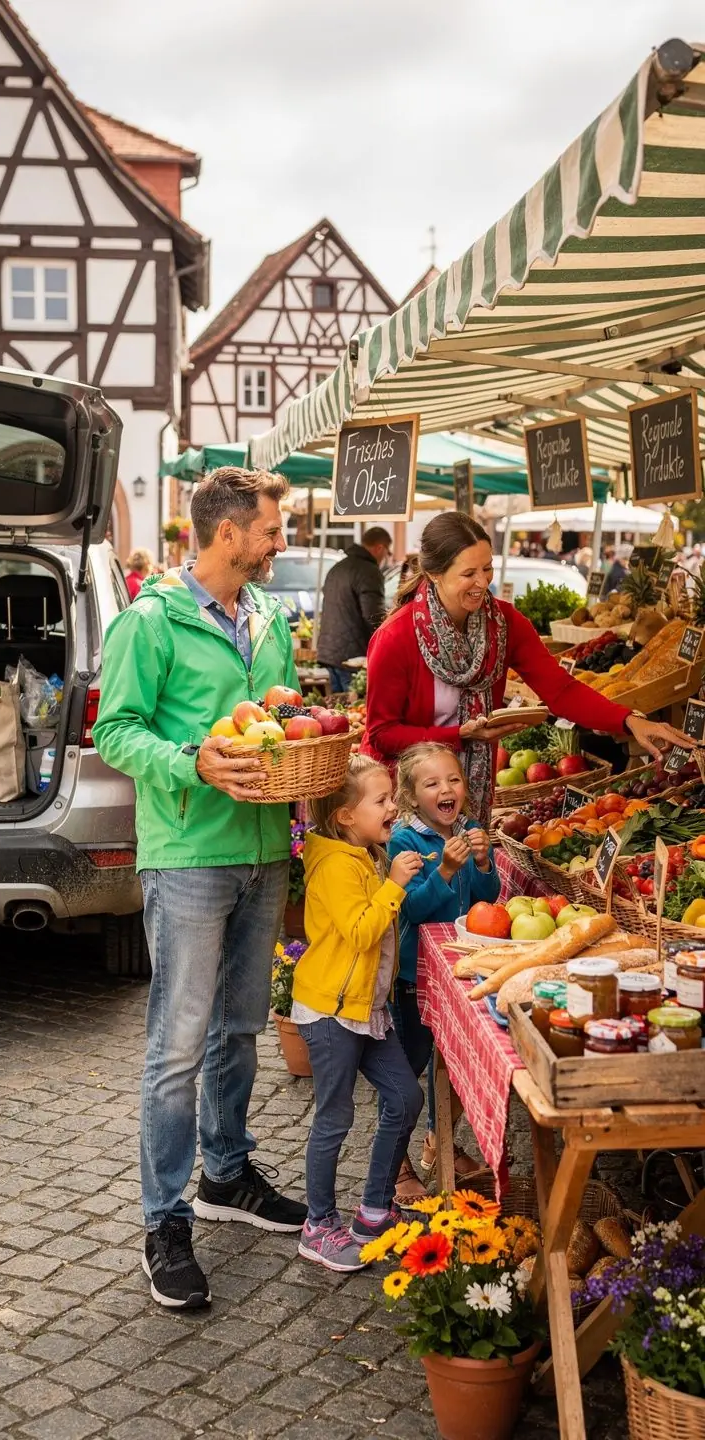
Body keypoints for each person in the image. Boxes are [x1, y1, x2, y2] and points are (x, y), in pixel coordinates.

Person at [93, 466, 308, 1311]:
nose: (279, 542)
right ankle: (163, 1218)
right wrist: (189, 761)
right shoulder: (150, 621)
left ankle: (226, 1174)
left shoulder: (268, 617)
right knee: (177, 1046)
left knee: (241, 1029)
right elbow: (115, 729)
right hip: (186, 853)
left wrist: (283, 708)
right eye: (270, 529)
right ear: (227, 533)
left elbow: (266, 720)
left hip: (262, 850)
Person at [362, 512, 693, 828]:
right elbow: (382, 734)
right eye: (468, 574)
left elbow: (561, 691)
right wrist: (460, 735)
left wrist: (630, 720)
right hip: (403, 801)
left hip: (467, 792)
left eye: (487, 569)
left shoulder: (503, 623)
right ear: (434, 574)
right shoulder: (395, 637)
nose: (482, 583)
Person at [291, 754, 424, 1272]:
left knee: (405, 1096)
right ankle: (318, 1225)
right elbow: (362, 931)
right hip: (329, 1014)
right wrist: (393, 883)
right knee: (335, 1116)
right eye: (383, 800)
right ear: (346, 816)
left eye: (392, 797)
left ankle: (373, 1210)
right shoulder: (336, 866)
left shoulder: (364, 853)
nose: (394, 806)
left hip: (366, 1009)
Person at [387, 743, 499, 1198]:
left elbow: (485, 899)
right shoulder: (405, 841)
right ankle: (394, 1162)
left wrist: (483, 863)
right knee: (408, 1068)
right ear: (413, 797)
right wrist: (447, 871)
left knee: (450, 1065)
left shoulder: (470, 827)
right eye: (432, 784)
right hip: (416, 975)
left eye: (453, 780)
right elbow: (412, 907)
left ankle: (440, 1142)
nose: (446, 789)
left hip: (460, 968)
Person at [317, 527, 393, 693]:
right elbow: (374, 616)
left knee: (338, 711)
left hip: (328, 653)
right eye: (387, 552)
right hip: (353, 657)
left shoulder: (339, 567)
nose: (385, 558)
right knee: (355, 710)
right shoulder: (369, 572)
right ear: (380, 547)